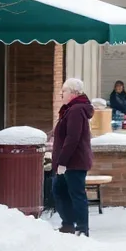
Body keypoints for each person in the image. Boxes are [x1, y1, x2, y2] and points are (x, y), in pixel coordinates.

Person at [52, 78, 93, 236]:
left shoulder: (76, 110)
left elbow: (72, 138)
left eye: (64, 91)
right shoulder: (71, 109)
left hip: (73, 162)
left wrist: (62, 161)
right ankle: (68, 224)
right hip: (67, 162)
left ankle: (81, 228)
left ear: (74, 93)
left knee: (76, 194)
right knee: (60, 190)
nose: (61, 94)